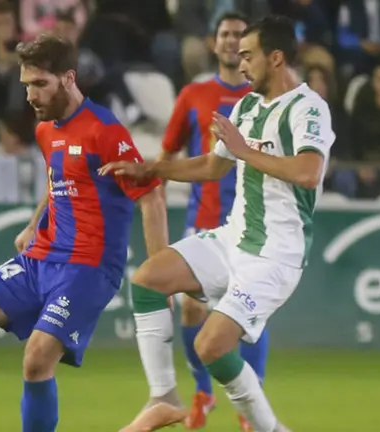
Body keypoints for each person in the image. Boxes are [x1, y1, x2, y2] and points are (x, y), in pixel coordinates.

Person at [0, 34, 167, 432]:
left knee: (36, 359)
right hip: (40, 259)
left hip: (88, 267)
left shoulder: (105, 130)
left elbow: (152, 197)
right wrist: (35, 223)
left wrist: (161, 274)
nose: (31, 95)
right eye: (26, 85)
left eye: (40, 84)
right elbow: (60, 181)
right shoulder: (46, 130)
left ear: (68, 78)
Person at [104, 15, 334, 432]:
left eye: (249, 56)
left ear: (276, 57)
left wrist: (244, 150)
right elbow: (213, 167)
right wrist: (152, 169)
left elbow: (308, 172)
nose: (240, 63)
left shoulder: (308, 107)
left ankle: (269, 428)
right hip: (233, 238)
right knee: (148, 278)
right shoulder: (245, 106)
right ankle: (163, 397)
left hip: (276, 255)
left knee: (212, 345)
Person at [128, 11, 268, 432]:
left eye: (239, 36)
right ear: (213, 43)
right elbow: (168, 154)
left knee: (249, 316)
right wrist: (150, 181)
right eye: (225, 34)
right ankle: (203, 390)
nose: (231, 42)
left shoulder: (263, 99)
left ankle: (250, 405)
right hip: (203, 219)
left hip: (253, 223)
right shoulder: (194, 94)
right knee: (191, 310)